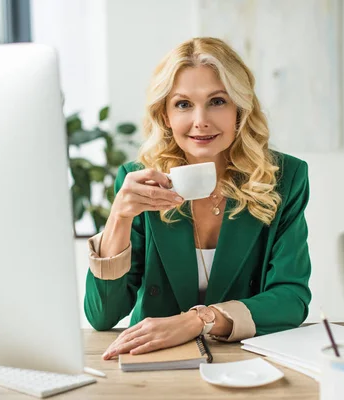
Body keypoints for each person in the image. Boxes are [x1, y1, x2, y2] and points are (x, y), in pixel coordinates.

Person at [83, 37, 311, 360]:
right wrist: (118, 217)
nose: (200, 120)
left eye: (217, 101)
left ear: (239, 109)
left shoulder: (283, 179)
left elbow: (292, 298)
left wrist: (198, 321)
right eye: (183, 104)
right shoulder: (139, 180)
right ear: (165, 116)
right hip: (151, 364)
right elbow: (102, 316)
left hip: (246, 362)